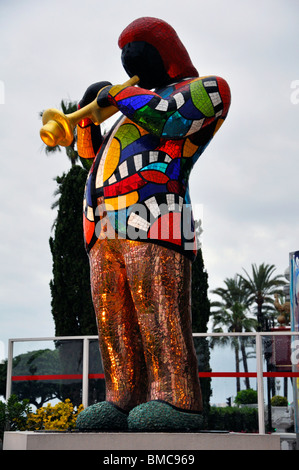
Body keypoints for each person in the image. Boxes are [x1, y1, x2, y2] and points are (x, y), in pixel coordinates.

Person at [75, 17, 231, 431]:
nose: (130, 56)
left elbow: (171, 121)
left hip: (157, 218)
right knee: (112, 318)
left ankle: (177, 398)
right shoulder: (128, 114)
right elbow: (90, 159)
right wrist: (87, 118)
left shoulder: (205, 90)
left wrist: (122, 95)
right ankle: (121, 397)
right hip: (104, 228)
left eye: (141, 44)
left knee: (157, 308)